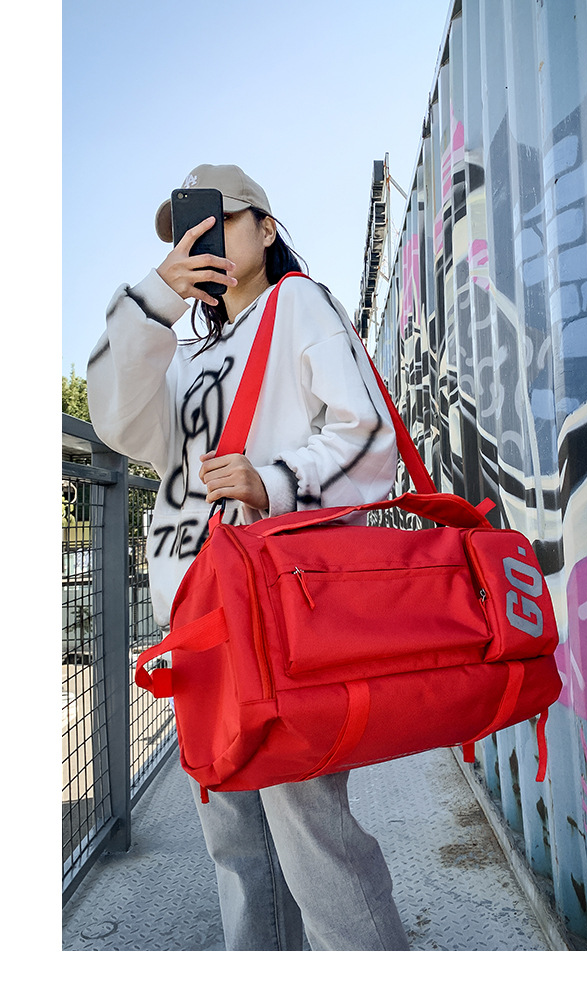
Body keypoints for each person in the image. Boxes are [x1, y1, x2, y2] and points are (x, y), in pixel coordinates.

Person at [87, 163, 410, 952]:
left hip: (277, 614)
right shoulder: (180, 354)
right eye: (187, 232)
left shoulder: (298, 303)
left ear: (266, 228)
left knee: (313, 838)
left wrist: (274, 480)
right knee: (234, 847)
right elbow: (113, 421)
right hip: (197, 622)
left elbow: (371, 437)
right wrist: (154, 300)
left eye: (221, 221)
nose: (203, 240)